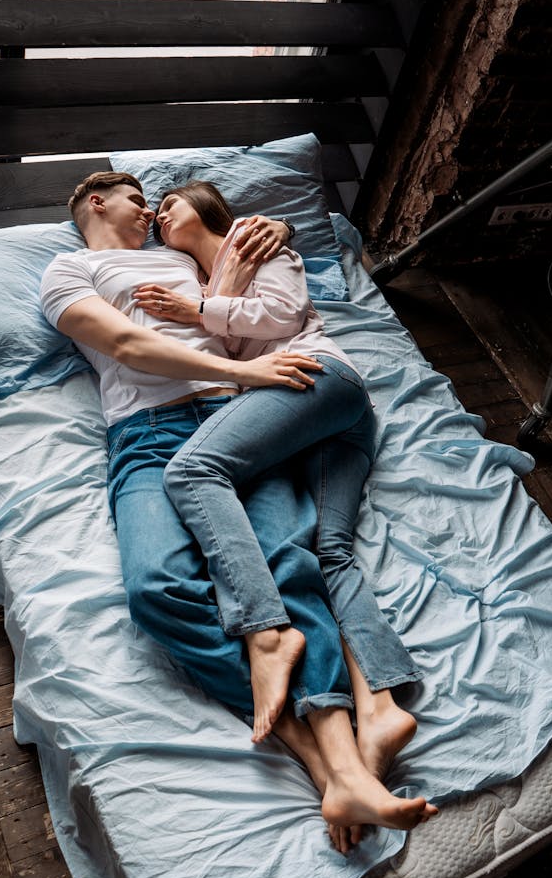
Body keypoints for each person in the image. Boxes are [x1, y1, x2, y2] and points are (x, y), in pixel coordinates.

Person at [40, 172, 435, 843]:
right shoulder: (70, 268)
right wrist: (247, 374)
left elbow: (244, 293)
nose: (153, 215)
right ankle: (321, 759)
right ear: (98, 201)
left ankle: (346, 770)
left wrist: (279, 233)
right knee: (157, 586)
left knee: (290, 562)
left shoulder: (184, 258)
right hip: (151, 431)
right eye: (142, 199)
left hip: (235, 416)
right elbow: (132, 346)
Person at [140, 180, 421, 780]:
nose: (161, 216)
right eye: (156, 213)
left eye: (172, 204)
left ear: (210, 207)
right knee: (328, 551)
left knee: (192, 468)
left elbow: (283, 315)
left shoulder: (258, 241)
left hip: (320, 379)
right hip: (322, 424)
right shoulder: (205, 283)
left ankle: (265, 631)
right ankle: (381, 706)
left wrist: (197, 311)